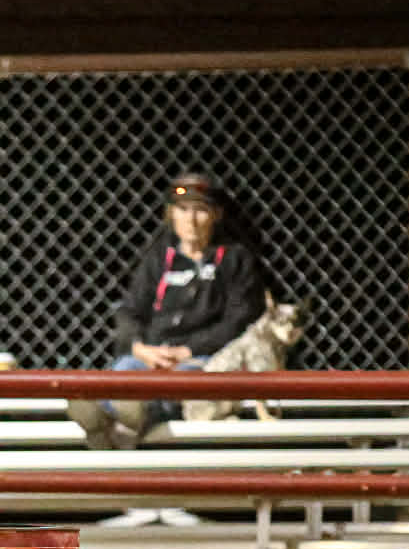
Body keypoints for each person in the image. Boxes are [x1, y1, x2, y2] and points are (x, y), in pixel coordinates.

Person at [67, 172, 268, 450]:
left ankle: (119, 420)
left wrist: (188, 350)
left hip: (202, 359)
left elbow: (238, 319)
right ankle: (108, 417)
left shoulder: (234, 259)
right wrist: (139, 347)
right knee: (125, 368)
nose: (190, 220)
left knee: (180, 383)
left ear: (216, 215)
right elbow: (130, 310)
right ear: (171, 214)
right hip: (152, 356)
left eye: (200, 210)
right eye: (183, 210)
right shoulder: (159, 257)